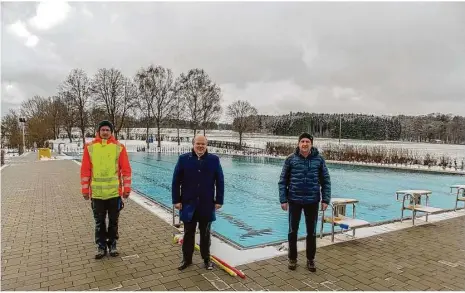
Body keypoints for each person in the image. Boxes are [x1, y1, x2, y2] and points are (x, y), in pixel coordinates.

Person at [278, 132, 331, 272]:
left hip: (312, 201)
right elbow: (282, 181)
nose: (305, 144)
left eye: (307, 141)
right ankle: (292, 258)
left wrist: (325, 199)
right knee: (292, 231)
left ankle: (310, 260)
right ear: (298, 143)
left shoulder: (319, 160)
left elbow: (326, 181)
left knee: (311, 232)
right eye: (302, 141)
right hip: (294, 200)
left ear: (311, 144)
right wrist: (283, 199)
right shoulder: (290, 159)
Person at [172, 134, 224, 270]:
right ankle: (187, 259)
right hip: (188, 203)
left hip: (206, 204)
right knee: (188, 233)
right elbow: (176, 181)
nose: (200, 146)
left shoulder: (214, 160)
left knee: (205, 234)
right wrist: (176, 200)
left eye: (203, 144)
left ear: (206, 145)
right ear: (193, 144)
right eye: (198, 144)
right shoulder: (184, 159)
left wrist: (219, 200)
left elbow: (220, 181)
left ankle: (206, 259)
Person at [80, 120, 132, 259]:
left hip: (114, 193)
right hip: (97, 194)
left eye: (107, 130)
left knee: (114, 222)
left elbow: (126, 170)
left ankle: (113, 244)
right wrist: (85, 190)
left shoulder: (119, 147)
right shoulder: (90, 147)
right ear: (98, 131)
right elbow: (85, 170)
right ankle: (101, 246)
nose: (105, 132)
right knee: (99, 222)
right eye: (102, 129)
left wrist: (126, 188)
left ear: (111, 132)